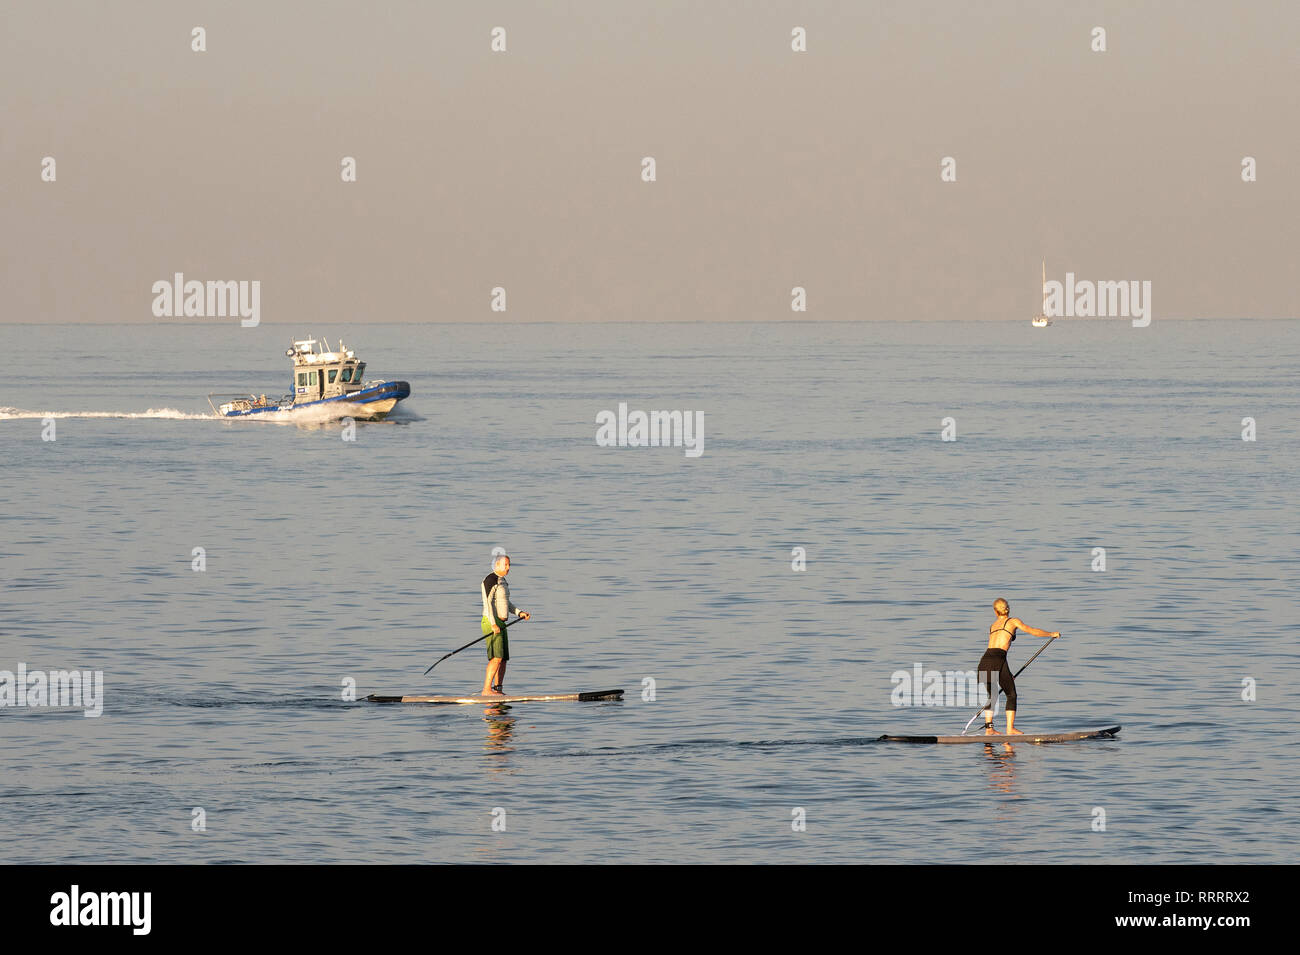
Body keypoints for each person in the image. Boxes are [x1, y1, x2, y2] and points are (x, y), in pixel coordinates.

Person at [978, 598, 1059, 734]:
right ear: (1008, 609)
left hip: (984, 661)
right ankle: (1010, 728)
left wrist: (1007, 674)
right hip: (998, 660)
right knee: (1011, 694)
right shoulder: (1013, 621)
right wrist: (1051, 634)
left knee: (992, 695)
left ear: (995, 611)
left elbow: (996, 650)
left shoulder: (993, 625)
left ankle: (989, 729)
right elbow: (1032, 631)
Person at [480, 554, 529, 696]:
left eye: (509, 565)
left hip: (502, 623)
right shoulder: (490, 580)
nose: (508, 568)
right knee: (496, 658)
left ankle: (498, 689)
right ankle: (486, 690)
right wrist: (493, 624)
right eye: (505, 565)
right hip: (491, 621)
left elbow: (506, 603)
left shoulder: (503, 581)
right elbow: (488, 604)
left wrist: (519, 613)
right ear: (497, 565)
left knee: (503, 659)